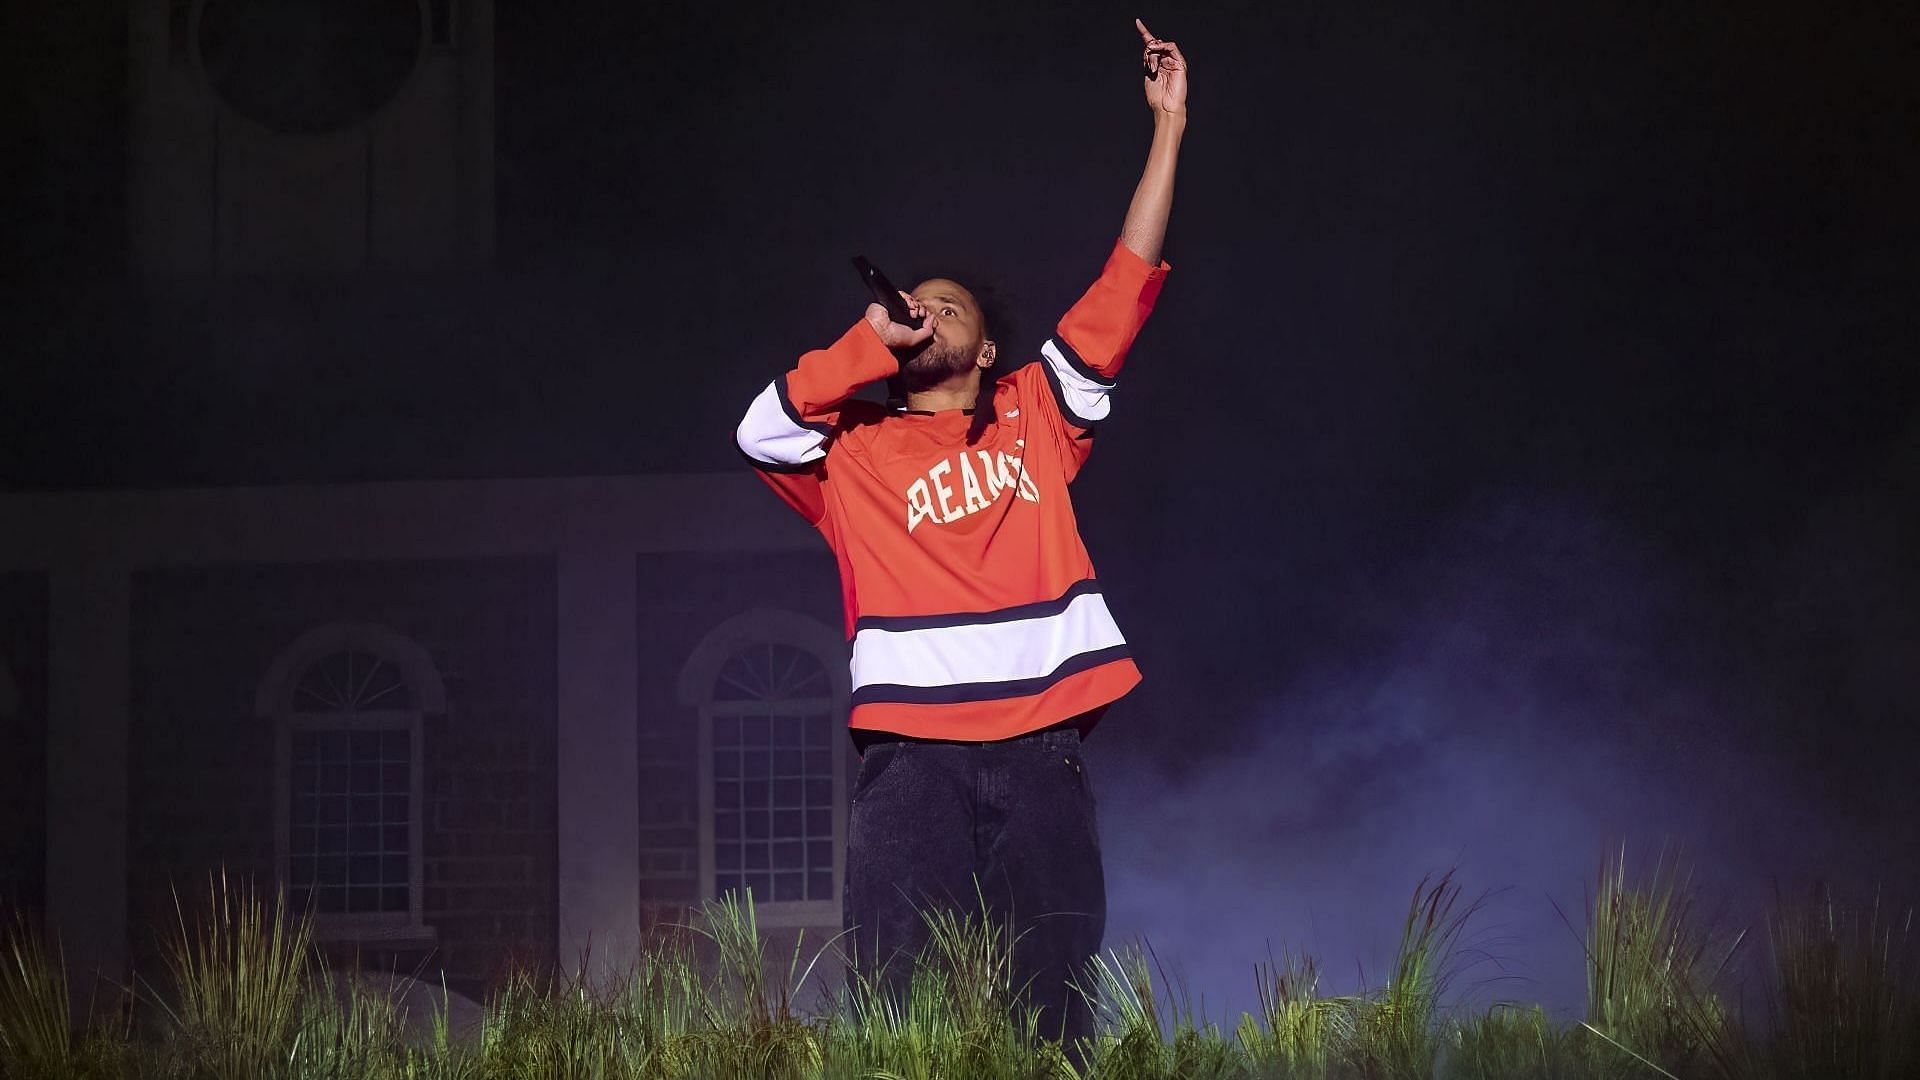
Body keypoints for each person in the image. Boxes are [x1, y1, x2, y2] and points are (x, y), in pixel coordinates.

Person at [734, 18, 1187, 1047]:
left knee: (1056, 1006)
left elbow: (1125, 282)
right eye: (914, 308)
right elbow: (758, 430)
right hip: (910, 760)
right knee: (896, 1009)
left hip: (1041, 750)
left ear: (987, 347)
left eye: (949, 309)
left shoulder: (1037, 413)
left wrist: (1169, 129)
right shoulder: (850, 451)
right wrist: (863, 342)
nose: (926, 315)